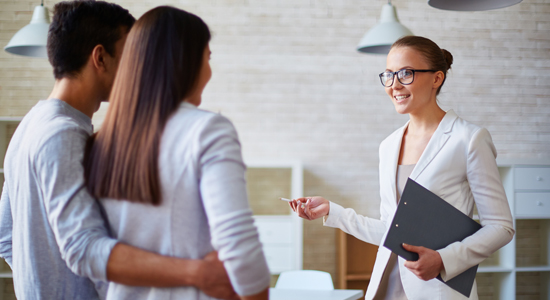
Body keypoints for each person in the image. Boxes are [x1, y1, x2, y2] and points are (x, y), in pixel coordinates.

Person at [0, 1, 238, 299]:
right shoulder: (64, 134)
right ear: (100, 57)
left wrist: (40, 284)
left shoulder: (31, 123)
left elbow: (6, 235)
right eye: (132, 57)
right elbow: (83, 247)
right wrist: (197, 273)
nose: (140, 69)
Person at [289, 36, 515, 300]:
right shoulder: (388, 146)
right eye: (388, 75)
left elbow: (501, 226)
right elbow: (391, 229)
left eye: (406, 73)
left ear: (436, 78)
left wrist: (443, 259)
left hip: (438, 290)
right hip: (387, 288)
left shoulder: (468, 139)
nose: (394, 85)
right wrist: (332, 211)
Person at [83, 6, 270, 300]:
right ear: (185, 62)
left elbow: (94, 253)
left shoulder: (99, 142)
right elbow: (238, 244)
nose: (210, 70)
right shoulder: (207, 130)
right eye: (207, 58)